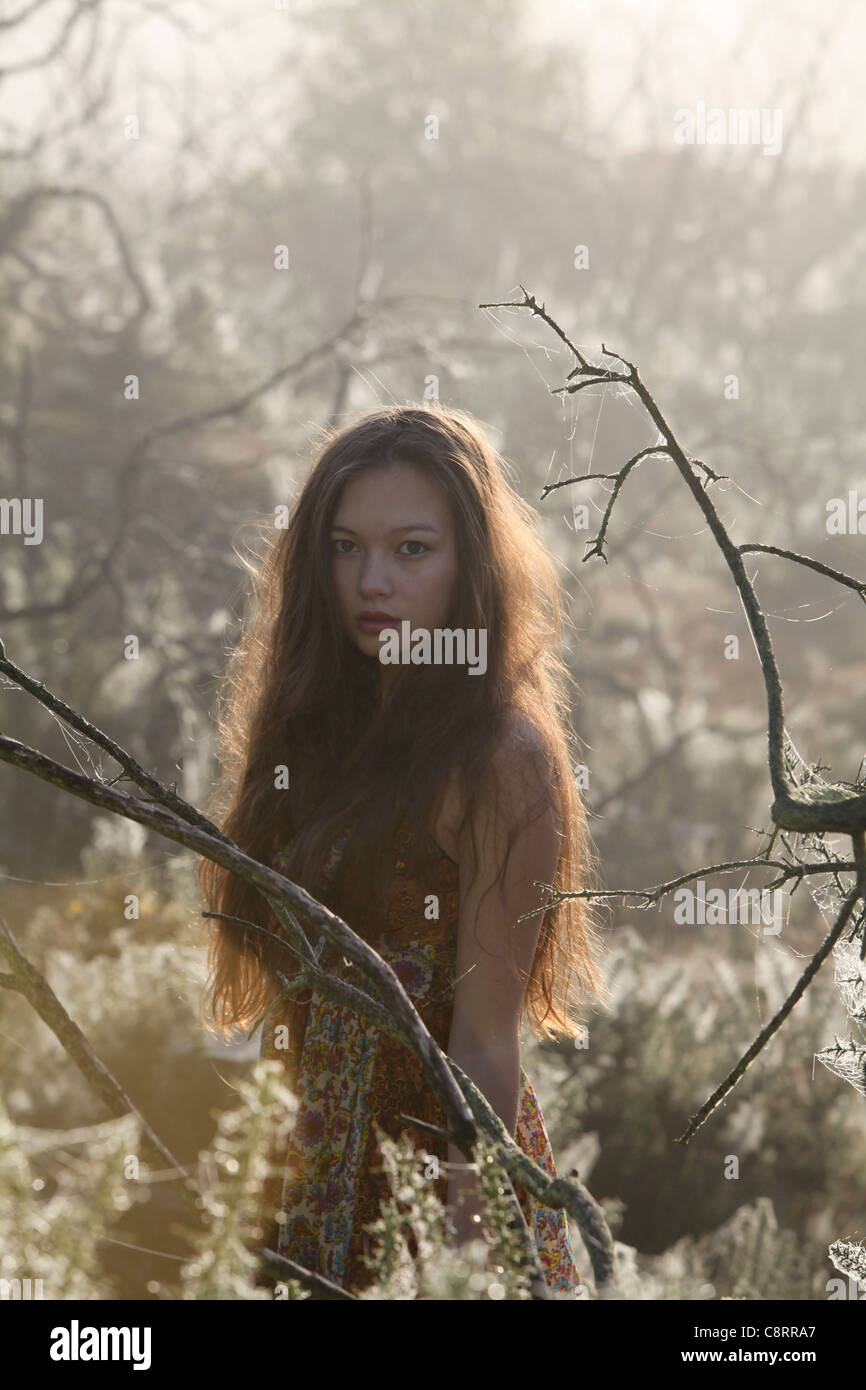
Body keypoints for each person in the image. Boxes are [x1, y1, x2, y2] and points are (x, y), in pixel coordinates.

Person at [197, 402, 609, 1298]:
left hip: (433, 1199)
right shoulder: (317, 733)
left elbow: (487, 1046)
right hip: (301, 1198)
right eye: (345, 547)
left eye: (410, 550)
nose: (370, 581)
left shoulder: (500, 757)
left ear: (471, 566)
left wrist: (459, 1267)